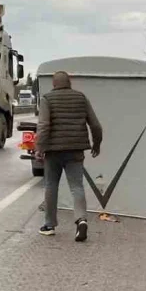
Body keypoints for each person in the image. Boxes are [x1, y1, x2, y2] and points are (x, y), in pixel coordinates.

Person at [35, 71, 103, 241]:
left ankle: (49, 225)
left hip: (53, 151)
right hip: (75, 150)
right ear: (69, 83)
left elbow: (43, 125)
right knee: (77, 187)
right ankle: (81, 220)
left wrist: (40, 148)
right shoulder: (81, 97)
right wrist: (96, 144)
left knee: (51, 185)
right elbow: (95, 125)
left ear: (54, 84)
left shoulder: (47, 99)